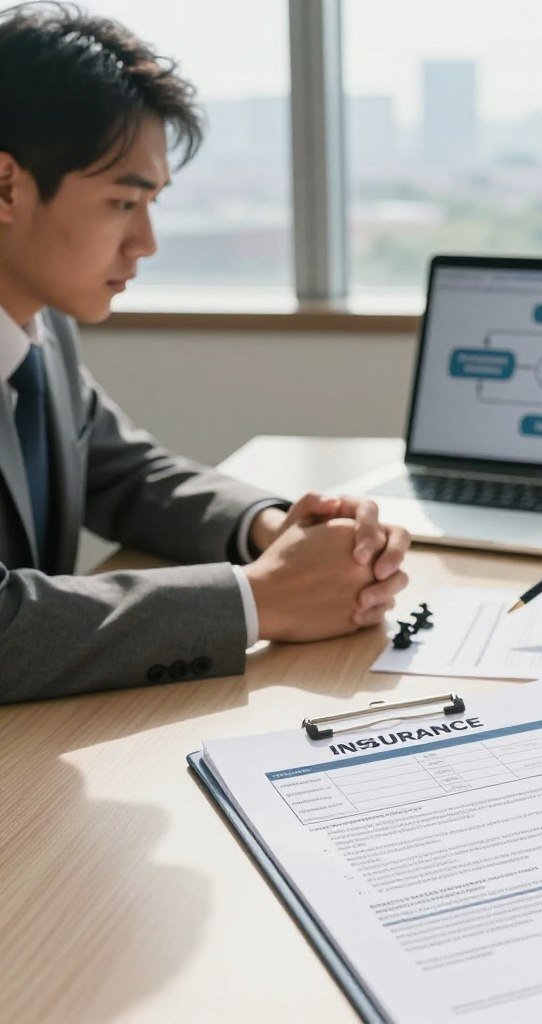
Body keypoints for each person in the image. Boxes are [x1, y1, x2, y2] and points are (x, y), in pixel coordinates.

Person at [0, 3, 410, 703]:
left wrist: (278, 529)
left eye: (154, 202)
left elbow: (128, 474)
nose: (147, 243)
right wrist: (259, 599)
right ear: (7, 186)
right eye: (123, 204)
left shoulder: (39, 327)